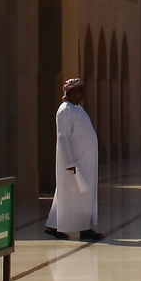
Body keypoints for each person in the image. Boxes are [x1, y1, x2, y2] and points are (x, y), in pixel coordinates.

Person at [46, 78, 102, 241]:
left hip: (84, 161)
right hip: (73, 162)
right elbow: (63, 137)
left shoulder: (77, 109)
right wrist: (70, 162)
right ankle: (84, 230)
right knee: (76, 194)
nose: (81, 96)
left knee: (67, 195)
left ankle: (53, 226)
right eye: (78, 92)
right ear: (70, 93)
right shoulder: (65, 110)